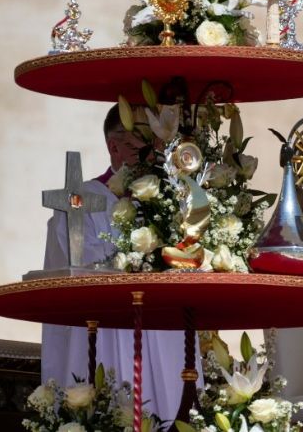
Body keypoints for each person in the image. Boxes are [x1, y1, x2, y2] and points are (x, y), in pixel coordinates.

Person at [41, 104, 195, 424]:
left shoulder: (167, 200)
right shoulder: (81, 200)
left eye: (156, 141)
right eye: (144, 141)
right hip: (106, 327)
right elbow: (81, 264)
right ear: (115, 147)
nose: (154, 150)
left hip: (163, 329)